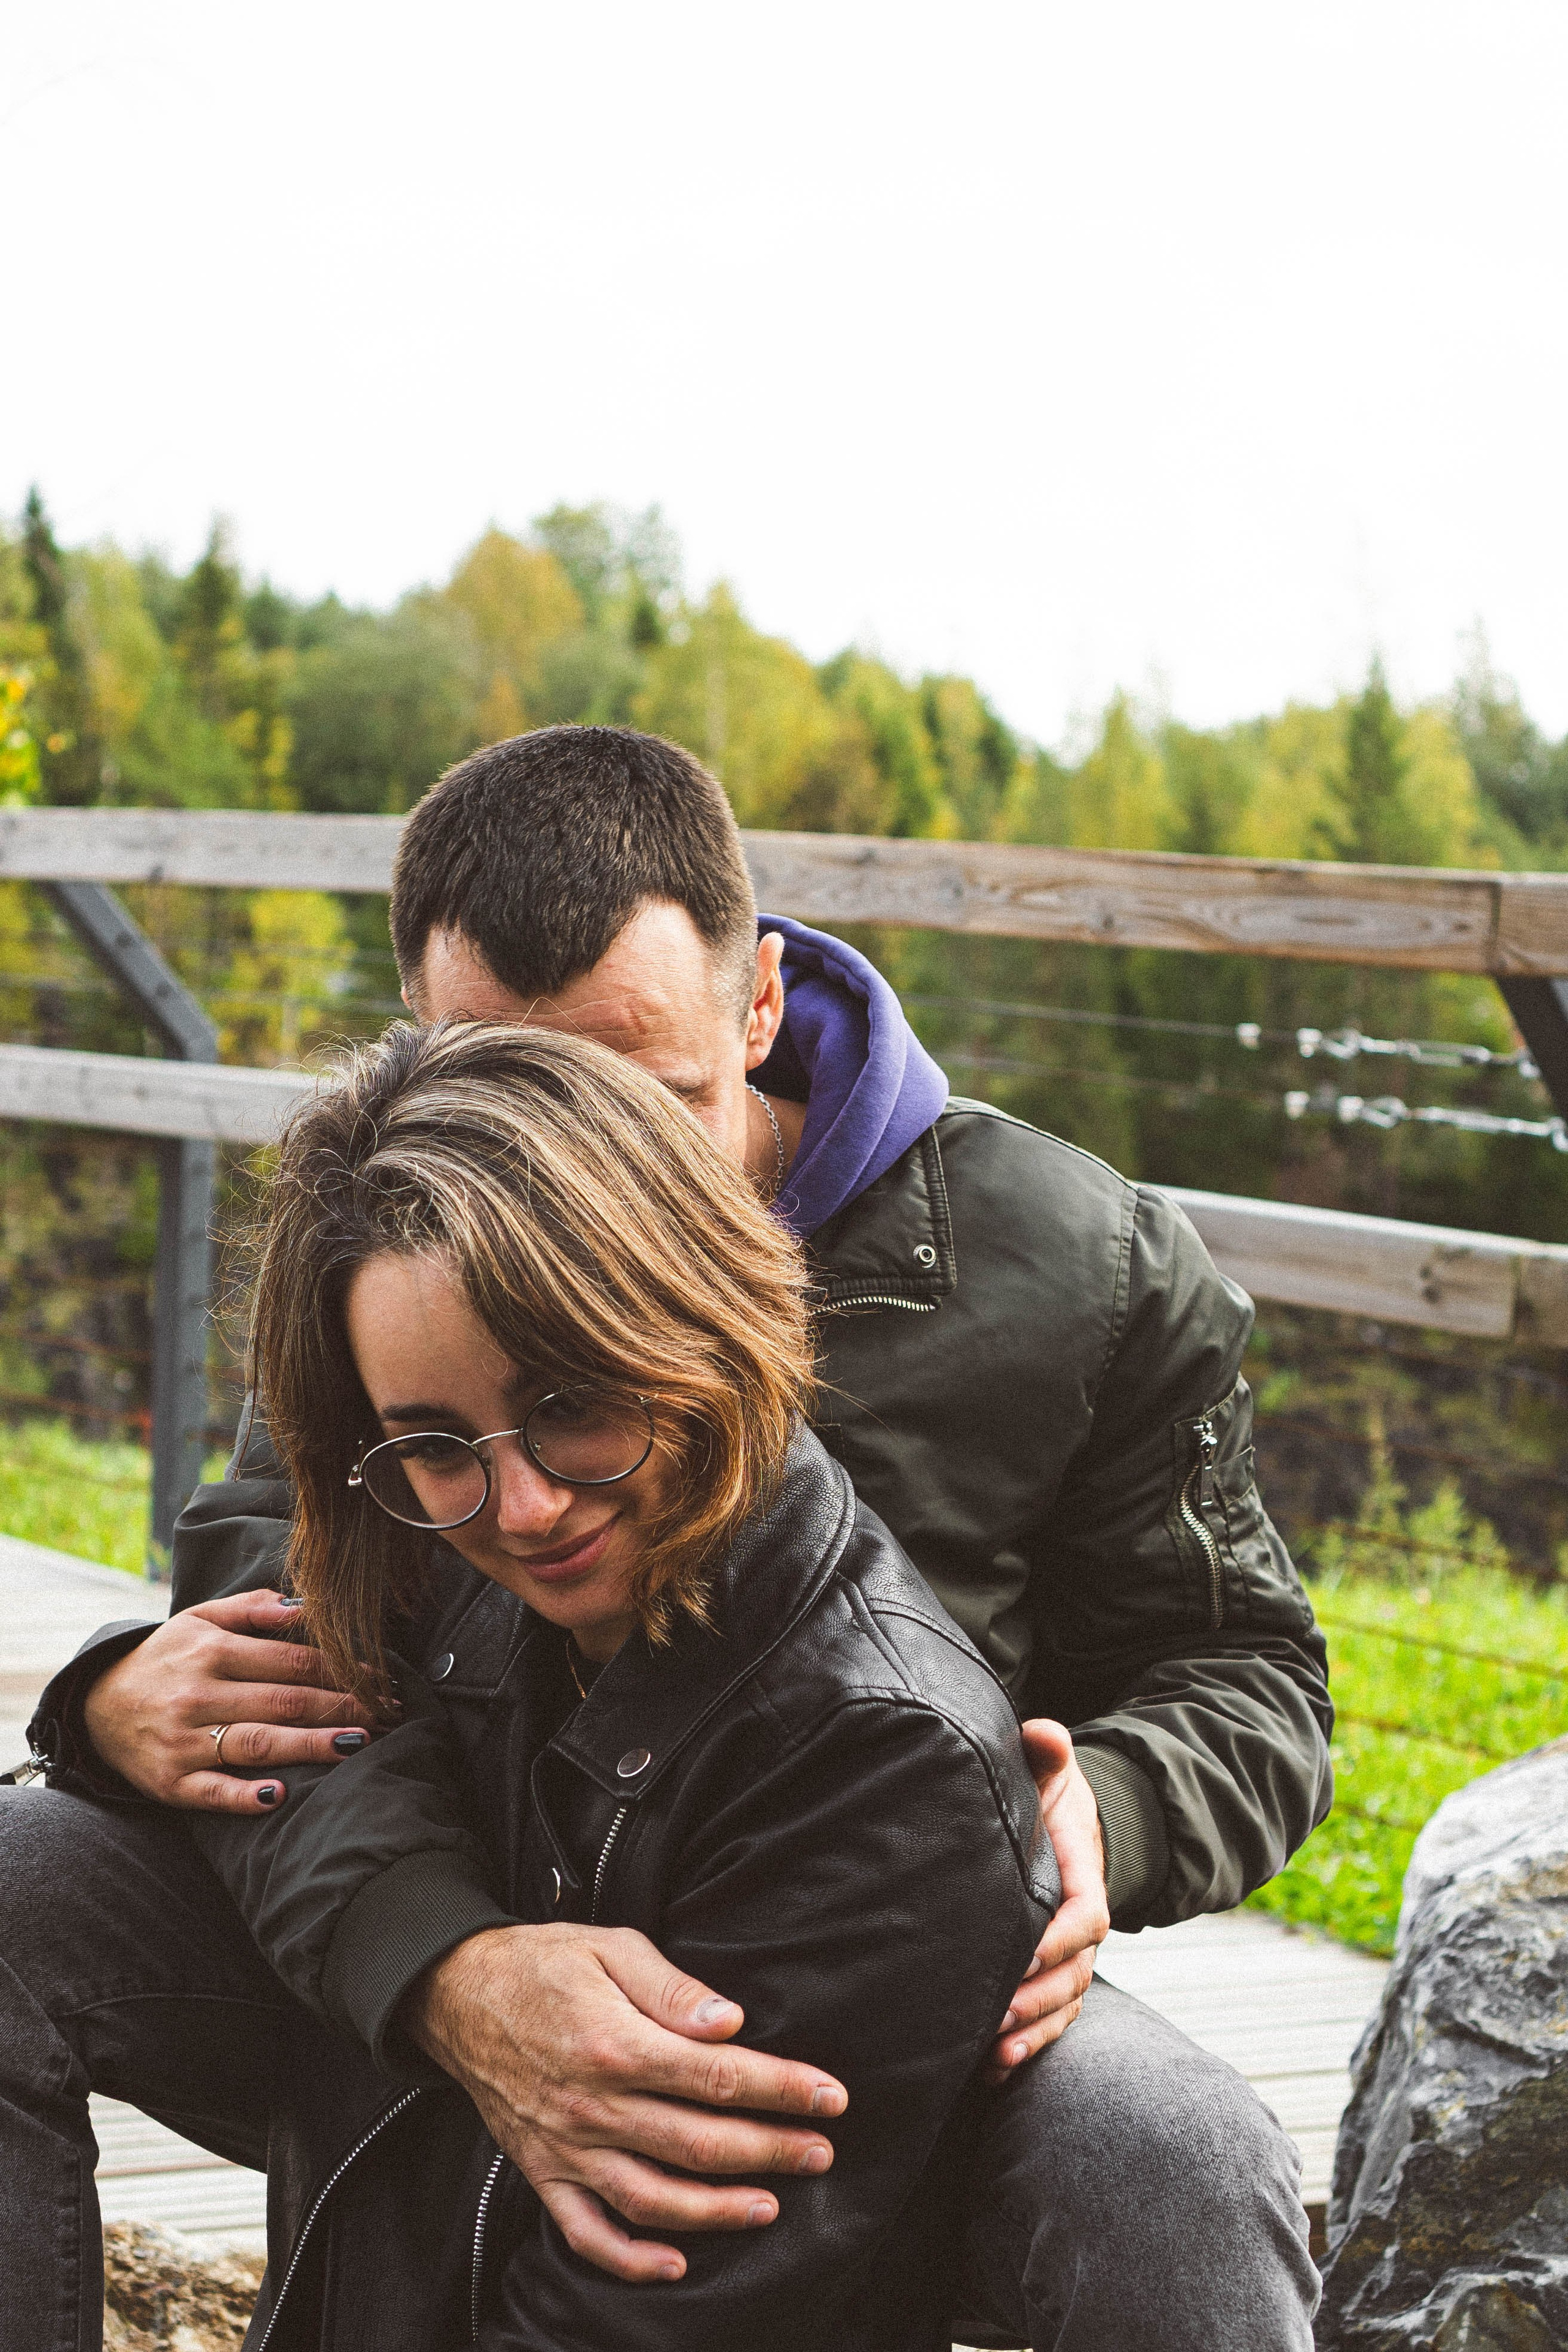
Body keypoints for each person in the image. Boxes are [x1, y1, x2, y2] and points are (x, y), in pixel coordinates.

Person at [23, 725, 1329, 2348]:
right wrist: (446, 1963)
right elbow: (279, 1613)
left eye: (640, 1099)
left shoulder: (1086, 1270)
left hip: (870, 1953)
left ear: (757, 1000)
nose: (566, 1170)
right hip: (447, 1875)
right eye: (499, 1090)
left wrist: (1100, 1817)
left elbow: (1244, 1675)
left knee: (1169, 2163)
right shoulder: (397, 1232)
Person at [6, 1018, 1063, 2350]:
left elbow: (635, 2316)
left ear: (698, 1309)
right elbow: (258, 1751)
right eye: (435, 1443)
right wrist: (106, 1713)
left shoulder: (884, 1759)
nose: (522, 1509)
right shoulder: (420, 1535)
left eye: (571, 1404)